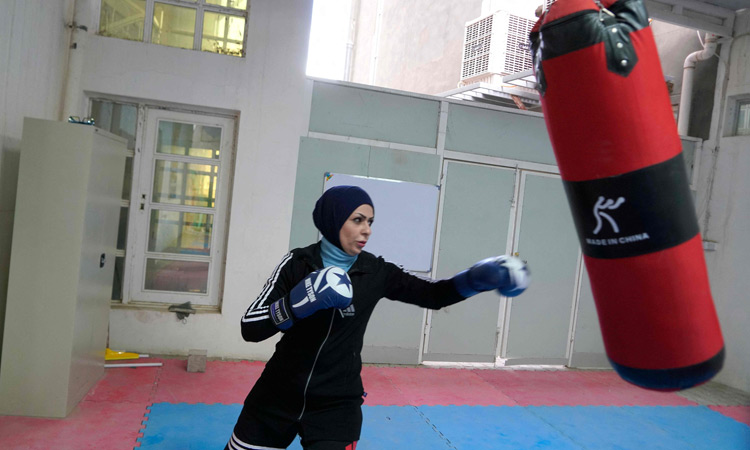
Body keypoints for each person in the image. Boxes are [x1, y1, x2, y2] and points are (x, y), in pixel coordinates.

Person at [225, 185, 530, 450]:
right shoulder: (298, 263)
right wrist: (298, 303)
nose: (367, 230)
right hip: (276, 395)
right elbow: (250, 328)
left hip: (336, 404)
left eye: (370, 221)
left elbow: (434, 296)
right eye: (357, 220)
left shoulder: (376, 272)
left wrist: (476, 278)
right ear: (333, 220)